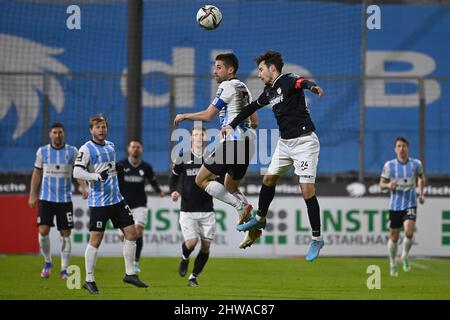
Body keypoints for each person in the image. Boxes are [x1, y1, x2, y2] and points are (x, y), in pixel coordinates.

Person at [220, 51, 325, 259]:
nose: (259, 74)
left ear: (272, 68)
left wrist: (312, 87)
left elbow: (302, 83)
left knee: (306, 190)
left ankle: (316, 239)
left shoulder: (288, 80)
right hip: (285, 144)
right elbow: (250, 107)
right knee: (268, 178)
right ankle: (260, 218)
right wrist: (232, 124)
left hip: (304, 142)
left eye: (261, 69)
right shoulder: (269, 92)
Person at [173, 53, 261, 248]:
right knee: (230, 187)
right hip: (249, 145)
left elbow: (208, 116)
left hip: (233, 143)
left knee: (201, 179)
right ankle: (253, 227)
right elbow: (255, 121)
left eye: (219, 67)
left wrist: (185, 115)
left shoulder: (227, 86)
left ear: (230, 70)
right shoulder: (245, 88)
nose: (215, 71)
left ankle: (241, 207)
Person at [73, 114, 148, 294]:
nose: (101, 130)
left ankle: (130, 273)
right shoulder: (86, 149)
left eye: (104, 127)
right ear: (91, 130)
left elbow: (109, 169)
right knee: (96, 239)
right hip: (99, 202)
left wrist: (117, 169)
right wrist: (95, 177)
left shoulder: (111, 146)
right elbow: (77, 172)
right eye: (97, 127)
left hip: (117, 199)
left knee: (132, 233)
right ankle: (89, 280)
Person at [28, 123, 88, 279]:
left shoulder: (72, 151)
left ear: (64, 134)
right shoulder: (42, 152)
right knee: (43, 231)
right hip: (47, 200)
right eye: (55, 132)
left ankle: (64, 269)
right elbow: (36, 174)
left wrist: (84, 187)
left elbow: (78, 172)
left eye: (60, 132)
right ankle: (47, 262)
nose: (57, 135)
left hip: (64, 200)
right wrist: (32, 194)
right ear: (50, 134)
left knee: (65, 234)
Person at [170, 126, 218, 287]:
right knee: (191, 242)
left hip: (207, 210)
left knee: (205, 247)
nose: (198, 137)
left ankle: (193, 277)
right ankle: (184, 258)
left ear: (205, 138)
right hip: (188, 209)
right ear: (191, 138)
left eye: (201, 135)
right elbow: (174, 178)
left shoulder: (211, 158)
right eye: (195, 134)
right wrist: (174, 192)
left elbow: (220, 178)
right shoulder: (182, 157)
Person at [379, 136, 425, 276]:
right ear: (395, 149)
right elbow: (381, 184)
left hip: (410, 203)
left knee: (409, 232)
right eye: (398, 146)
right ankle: (393, 262)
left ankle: (404, 256)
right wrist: (388, 185)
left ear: (408, 148)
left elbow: (421, 178)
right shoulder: (389, 166)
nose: (401, 148)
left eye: (403, 146)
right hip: (395, 206)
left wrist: (421, 193)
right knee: (394, 237)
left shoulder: (416, 164)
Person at [117, 140, 164, 273]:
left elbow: (153, 180)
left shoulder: (146, 167)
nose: (135, 149)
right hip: (122, 205)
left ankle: (135, 261)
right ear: (128, 148)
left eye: (138, 147)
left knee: (138, 232)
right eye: (133, 147)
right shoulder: (121, 165)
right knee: (125, 236)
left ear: (141, 149)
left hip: (140, 204)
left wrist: (159, 191)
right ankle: (129, 260)